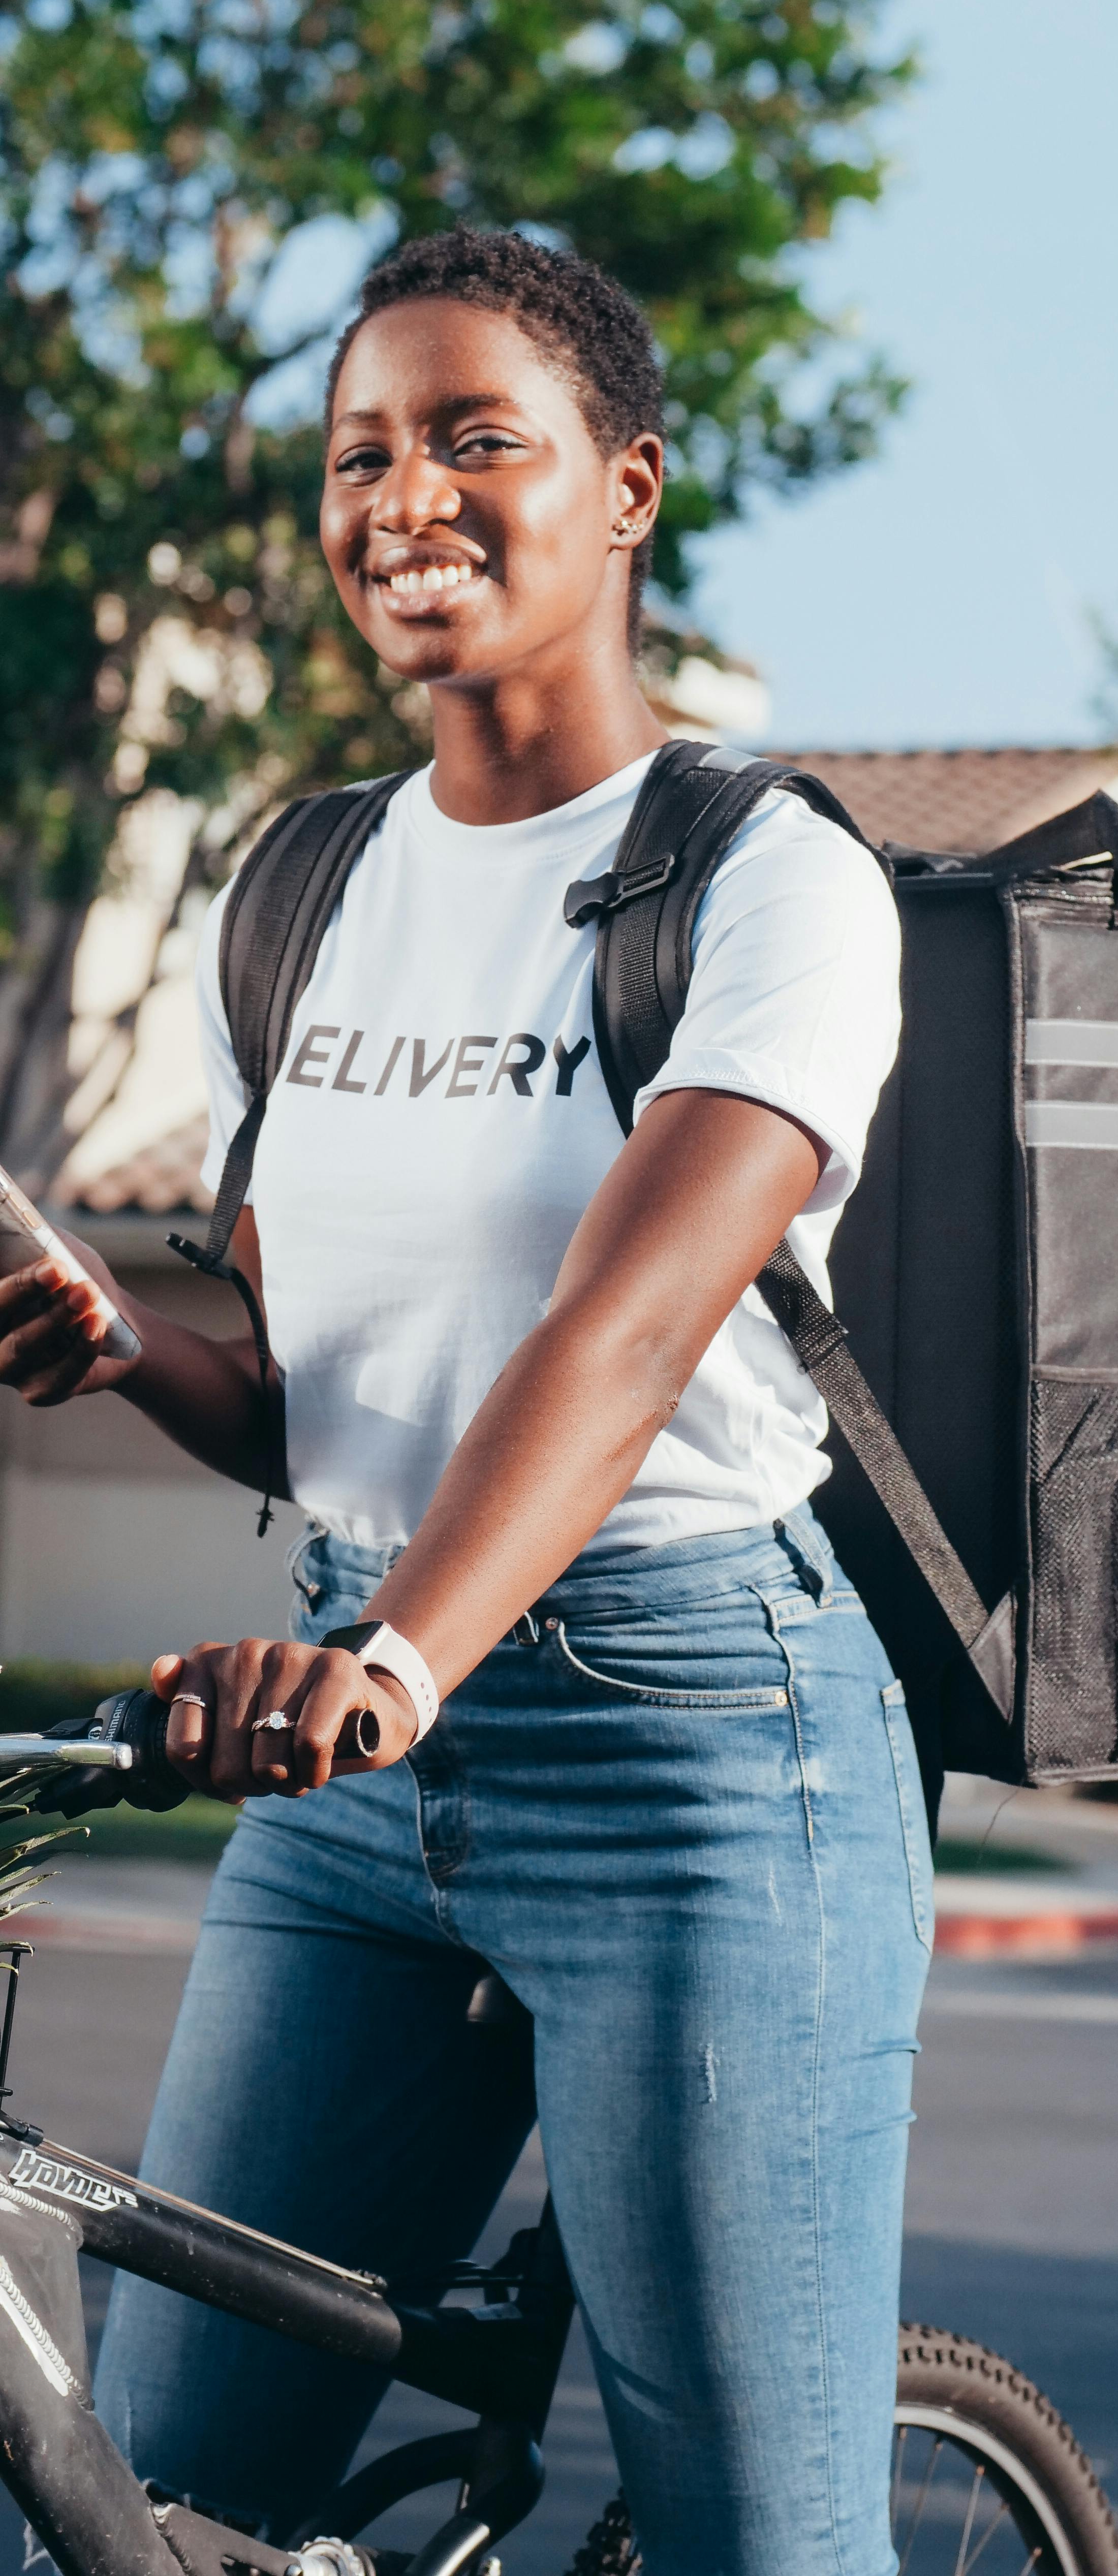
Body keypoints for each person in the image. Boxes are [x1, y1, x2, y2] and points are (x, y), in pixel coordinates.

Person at [0, 227, 930, 2574]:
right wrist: (130, 1356)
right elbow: (337, 1396)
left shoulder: (766, 882)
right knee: (152, 2506)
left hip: (692, 1739)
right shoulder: (294, 888)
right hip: (353, 1755)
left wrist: (399, 1660)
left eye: (471, 436)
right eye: (359, 451)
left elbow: (615, 1340)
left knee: (749, 2528)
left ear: (624, 489)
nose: (402, 492)